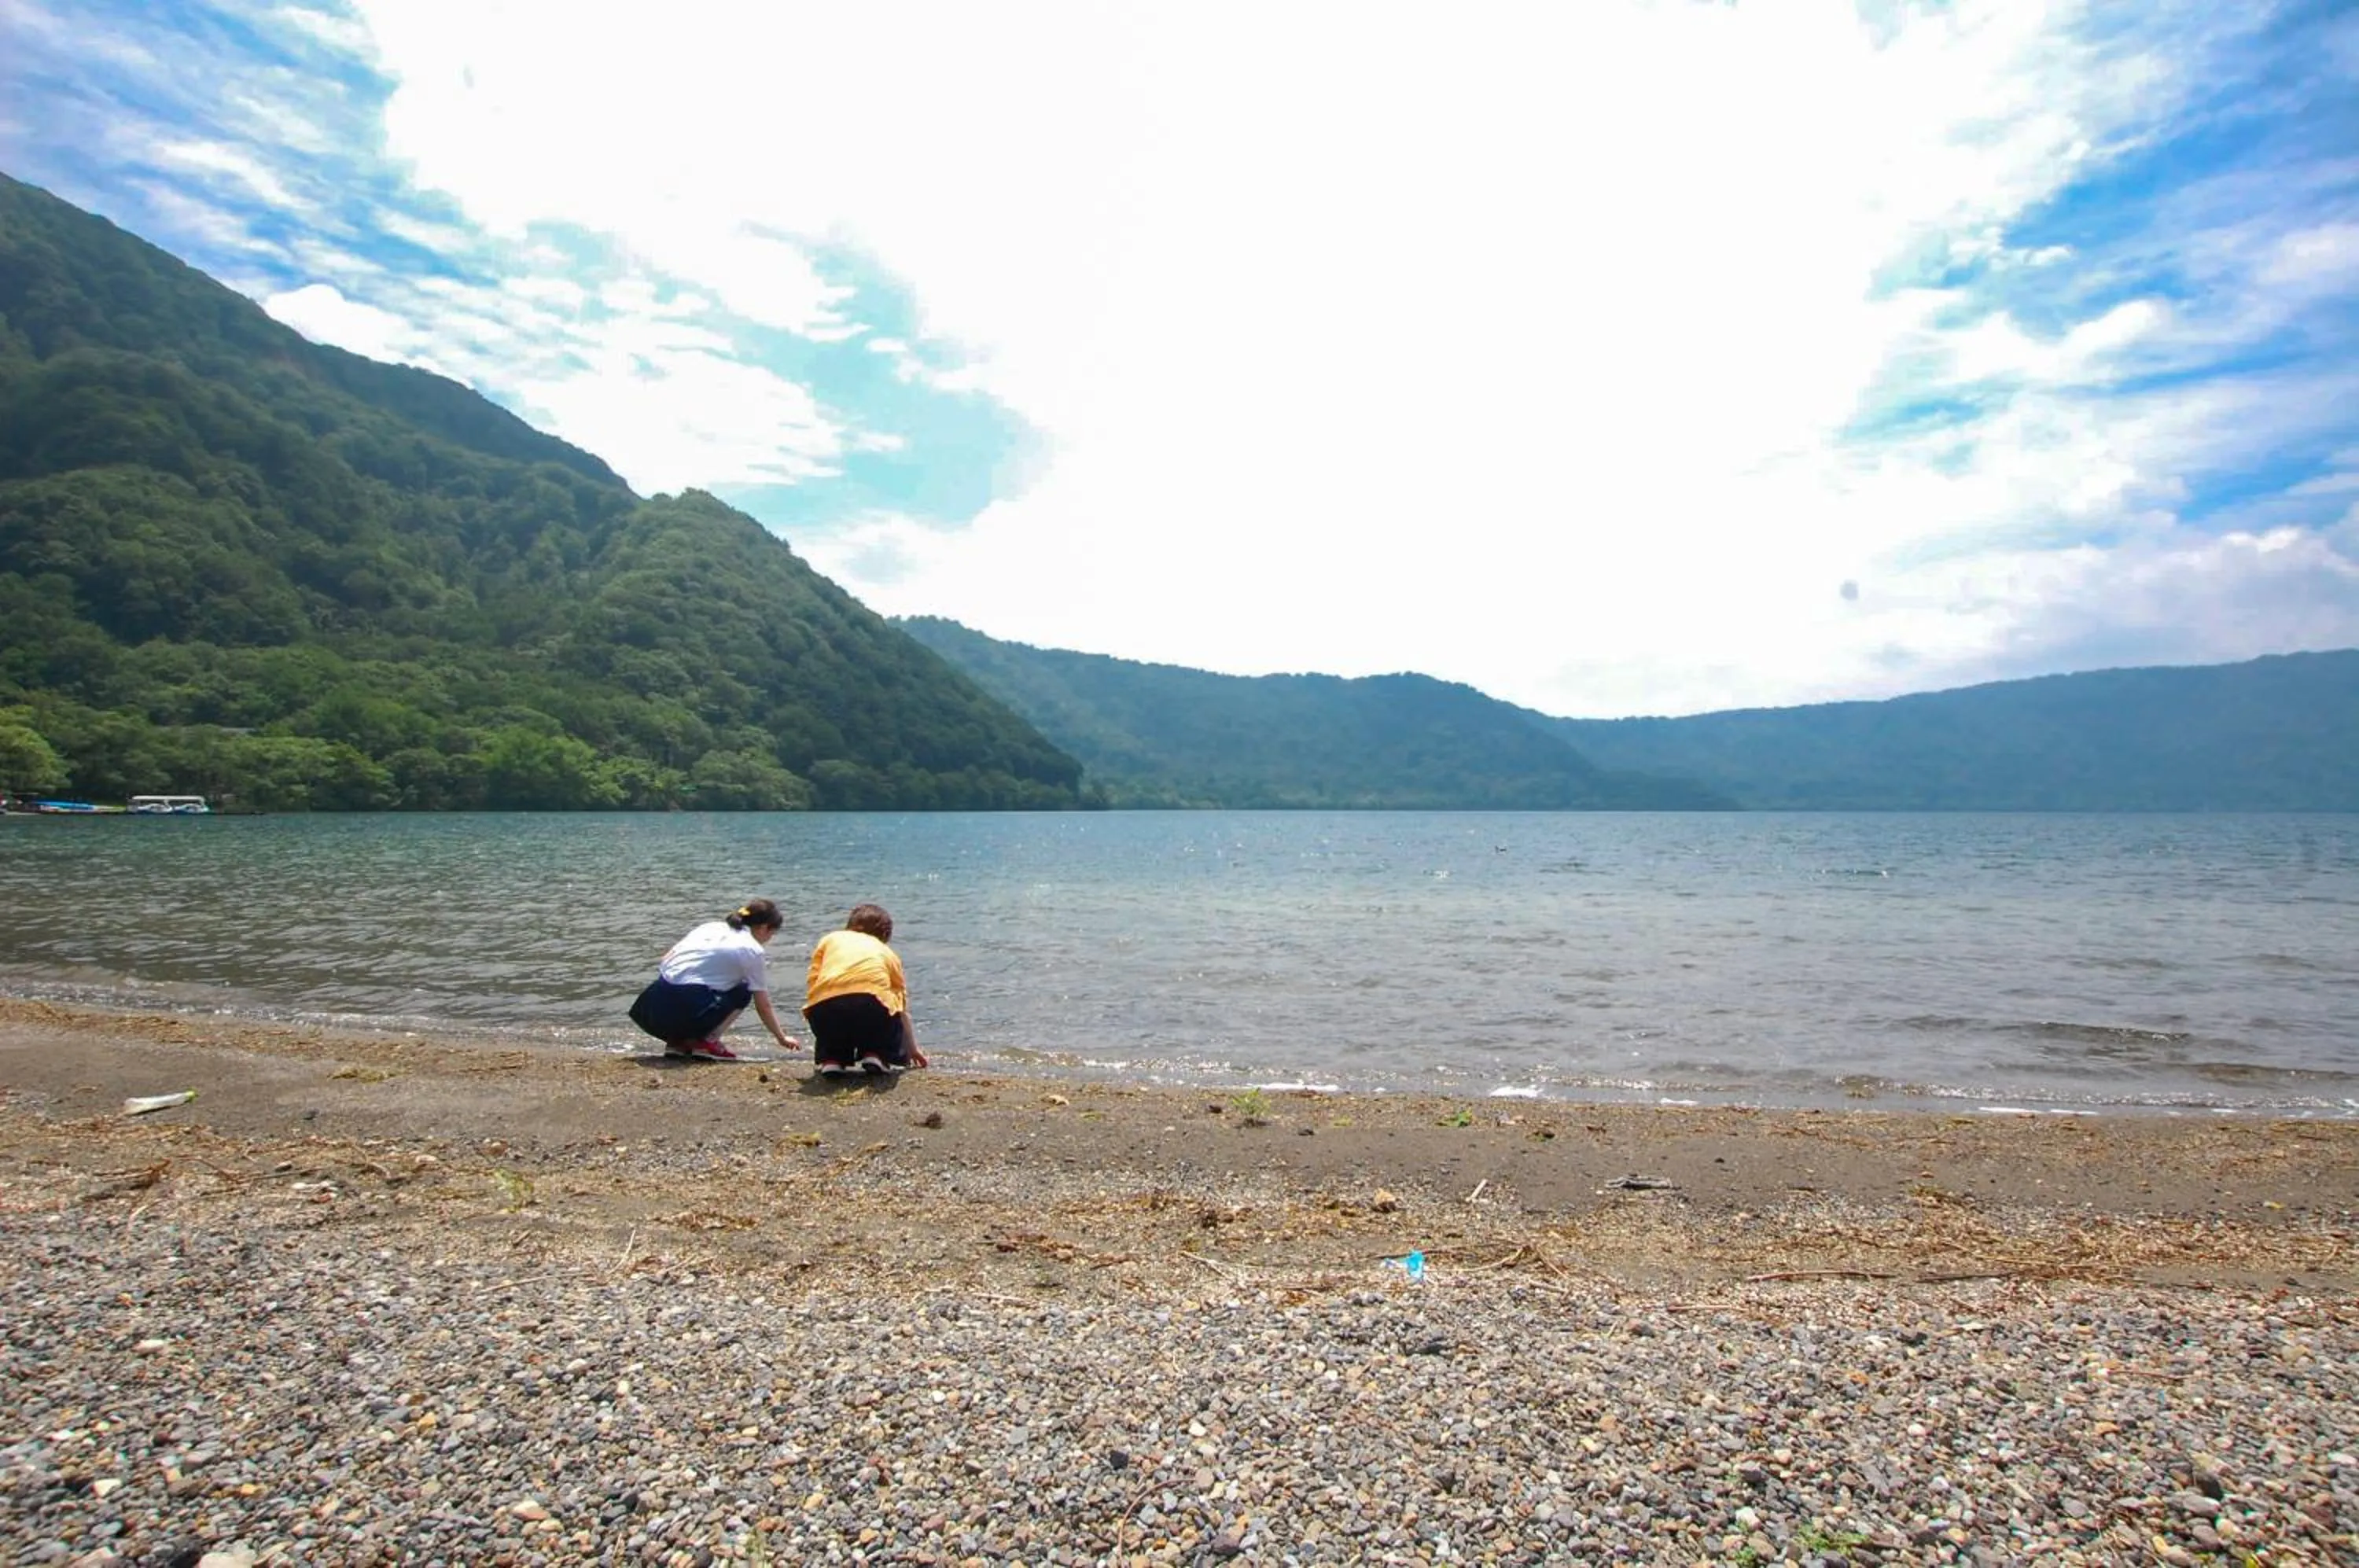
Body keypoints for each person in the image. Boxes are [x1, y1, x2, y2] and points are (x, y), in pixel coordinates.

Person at [628, 899, 803, 1062]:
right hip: (680, 1014)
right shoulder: (752, 949)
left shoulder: (709, 927)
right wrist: (781, 1037)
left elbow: (666, 959)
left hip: (650, 1011)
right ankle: (706, 1042)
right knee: (743, 990)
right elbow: (763, 1005)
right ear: (764, 928)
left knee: (689, 985)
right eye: (772, 934)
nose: (769, 940)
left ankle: (677, 1043)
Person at [804, 903, 928, 1076]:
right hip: (870, 1006)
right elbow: (900, 1008)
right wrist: (912, 1049)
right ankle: (876, 1055)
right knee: (884, 1009)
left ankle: (832, 1060)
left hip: (824, 1010)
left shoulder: (830, 939)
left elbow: (814, 983)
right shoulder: (887, 953)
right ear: (885, 934)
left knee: (831, 1011)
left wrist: (813, 1012)